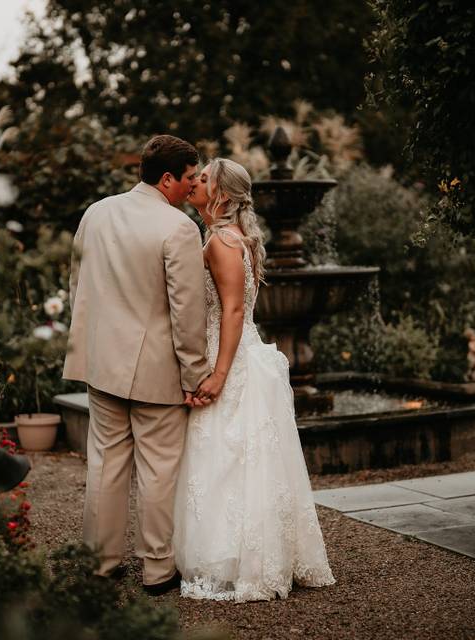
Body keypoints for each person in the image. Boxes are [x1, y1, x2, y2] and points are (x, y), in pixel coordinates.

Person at [173, 158, 335, 602]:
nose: (195, 183)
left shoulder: (223, 241)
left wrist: (220, 373)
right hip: (236, 350)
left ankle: (232, 561)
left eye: (203, 178)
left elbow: (233, 310)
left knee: (226, 456)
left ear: (221, 194)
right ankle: (251, 555)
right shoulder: (230, 236)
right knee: (239, 459)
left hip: (230, 356)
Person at [62, 135, 212, 596]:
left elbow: (76, 285)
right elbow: (187, 313)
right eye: (189, 178)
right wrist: (195, 375)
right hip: (155, 372)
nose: (193, 186)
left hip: (100, 363)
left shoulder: (96, 213)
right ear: (167, 178)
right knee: (159, 469)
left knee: (105, 464)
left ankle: (101, 565)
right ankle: (157, 570)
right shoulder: (179, 227)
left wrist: (88, 346)